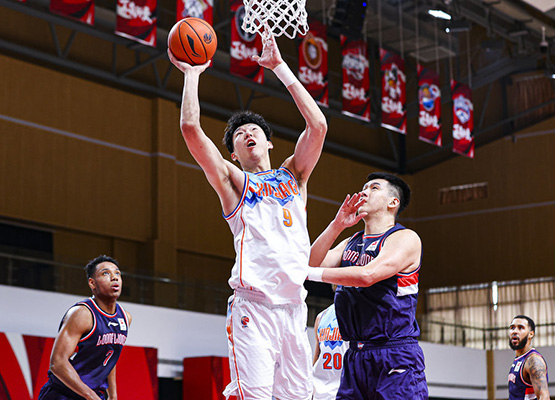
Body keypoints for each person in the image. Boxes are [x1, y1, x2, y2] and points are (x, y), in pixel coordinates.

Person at [168, 31, 327, 400]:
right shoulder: (234, 183)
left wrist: (280, 67)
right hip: (253, 309)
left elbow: (318, 126)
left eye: (255, 130)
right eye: (240, 134)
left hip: (294, 308)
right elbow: (190, 129)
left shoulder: (294, 175)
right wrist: (192, 74)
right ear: (234, 154)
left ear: (269, 142)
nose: (248, 133)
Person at [307, 172, 428, 400]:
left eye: (374, 188)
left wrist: (308, 274)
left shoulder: (405, 238)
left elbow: (367, 275)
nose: (364, 192)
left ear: (393, 202)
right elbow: (312, 262)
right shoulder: (350, 242)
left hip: (394, 352)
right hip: (355, 354)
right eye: (363, 187)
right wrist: (337, 225)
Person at [39, 255, 131, 400]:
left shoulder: (125, 317)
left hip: (92, 394)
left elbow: (109, 357)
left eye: (117, 273)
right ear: (92, 283)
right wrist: (90, 396)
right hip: (63, 393)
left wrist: (113, 396)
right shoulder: (82, 314)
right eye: (105, 273)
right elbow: (57, 363)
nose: (114, 277)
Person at [312, 297, 348, 400]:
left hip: (344, 391)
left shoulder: (358, 314)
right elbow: (318, 356)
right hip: (319, 391)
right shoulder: (321, 316)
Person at [508, 315, 550, 400]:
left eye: (520, 328)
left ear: (531, 334)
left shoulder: (533, 360)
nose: (515, 331)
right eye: (512, 328)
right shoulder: (519, 359)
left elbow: (544, 397)